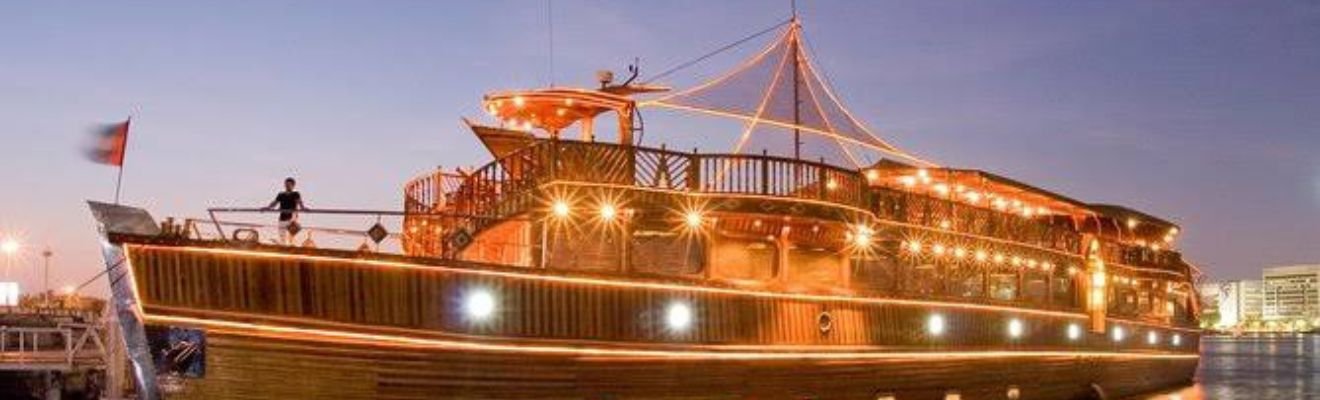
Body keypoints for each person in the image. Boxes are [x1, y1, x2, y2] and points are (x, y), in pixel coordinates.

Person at [265, 177, 306, 244]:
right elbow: (274, 203)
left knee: (291, 238)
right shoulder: (281, 194)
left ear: (293, 186)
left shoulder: (296, 194)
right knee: (282, 237)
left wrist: (303, 208)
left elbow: (299, 203)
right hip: (282, 217)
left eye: (289, 185)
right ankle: (283, 247)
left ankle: (291, 247)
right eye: (286, 184)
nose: (287, 186)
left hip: (292, 218)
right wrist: (267, 208)